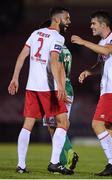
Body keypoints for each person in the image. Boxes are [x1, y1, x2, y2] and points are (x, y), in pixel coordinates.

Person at [8, 7, 73, 175]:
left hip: (31, 86)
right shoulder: (58, 37)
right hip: (47, 88)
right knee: (63, 122)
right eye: (67, 18)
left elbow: (22, 55)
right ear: (58, 20)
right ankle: (54, 163)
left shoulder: (35, 33)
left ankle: (21, 165)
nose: (69, 22)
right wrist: (59, 85)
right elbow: (53, 60)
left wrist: (15, 78)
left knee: (27, 125)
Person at [71, 10, 112, 176]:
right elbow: (101, 64)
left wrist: (83, 42)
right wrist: (88, 72)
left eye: (93, 23)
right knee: (110, 129)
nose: (91, 26)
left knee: (96, 124)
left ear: (103, 24)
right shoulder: (103, 41)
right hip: (109, 90)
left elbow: (107, 51)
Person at [40, 19, 79, 171]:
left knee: (53, 127)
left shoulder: (53, 49)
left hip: (56, 89)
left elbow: (59, 68)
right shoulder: (65, 48)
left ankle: (66, 156)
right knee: (62, 124)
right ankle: (63, 161)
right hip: (68, 88)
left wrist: (59, 89)